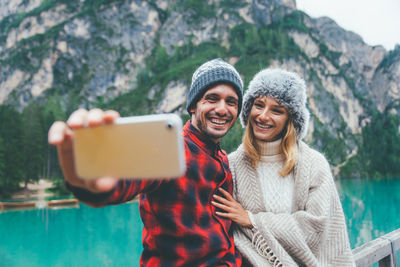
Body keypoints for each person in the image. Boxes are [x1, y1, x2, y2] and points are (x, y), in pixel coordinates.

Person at [48, 58, 248, 266]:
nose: (223, 109)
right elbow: (126, 181)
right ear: (193, 106)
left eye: (231, 102)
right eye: (212, 99)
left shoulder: (223, 158)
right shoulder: (170, 147)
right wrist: (89, 182)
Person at [211, 68, 355, 266]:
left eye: (277, 110)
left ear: (291, 119)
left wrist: (252, 220)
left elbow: (316, 228)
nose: (262, 116)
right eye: (258, 105)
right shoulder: (232, 164)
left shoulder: (313, 164)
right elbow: (225, 231)